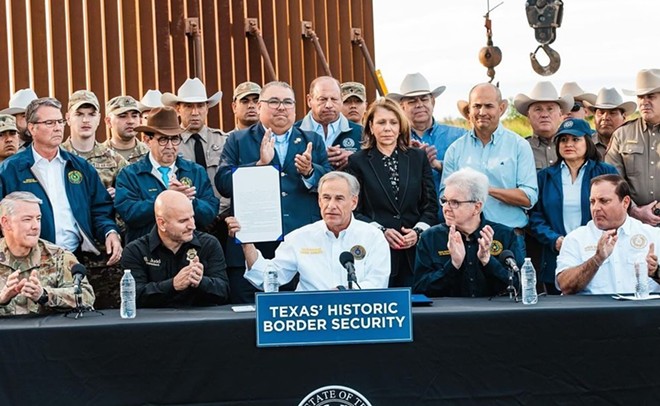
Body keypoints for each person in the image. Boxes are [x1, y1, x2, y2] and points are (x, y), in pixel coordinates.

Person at [216, 81, 332, 303]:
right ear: (260, 107)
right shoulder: (238, 140)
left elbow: (329, 183)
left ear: (296, 109)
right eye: (274, 102)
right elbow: (222, 183)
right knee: (247, 322)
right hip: (252, 245)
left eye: (287, 102)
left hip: (300, 247)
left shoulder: (312, 140)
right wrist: (259, 166)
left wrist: (309, 172)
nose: (281, 107)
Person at [0, 97, 122, 265]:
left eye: (59, 121)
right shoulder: (11, 170)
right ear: (32, 128)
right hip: (26, 262)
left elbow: (100, 209)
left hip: (74, 259)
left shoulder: (79, 167)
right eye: (49, 123)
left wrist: (110, 232)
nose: (57, 128)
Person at [228, 172, 390, 291]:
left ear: (354, 202)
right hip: (311, 319)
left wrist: (342, 295)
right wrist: (247, 243)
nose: (331, 205)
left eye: (339, 198)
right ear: (319, 200)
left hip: (358, 318)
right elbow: (268, 278)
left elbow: (378, 283)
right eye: (326, 198)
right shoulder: (300, 237)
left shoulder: (372, 237)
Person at [347, 97, 438, 287]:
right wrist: (381, 232)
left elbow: (430, 205)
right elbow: (355, 210)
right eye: (381, 122)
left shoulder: (418, 158)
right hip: (375, 253)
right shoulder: (358, 162)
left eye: (393, 122)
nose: (387, 128)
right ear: (371, 127)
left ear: (401, 127)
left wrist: (417, 232)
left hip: (415, 255)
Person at [442, 83, 538, 250]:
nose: (482, 112)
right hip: (465, 240)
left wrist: (484, 189)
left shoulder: (519, 146)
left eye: (489, 106)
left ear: (501, 109)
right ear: (469, 111)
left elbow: (529, 197)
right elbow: (444, 197)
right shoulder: (455, 150)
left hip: (509, 237)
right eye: (477, 106)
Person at [529, 118, 618, 294]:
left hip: (596, 250)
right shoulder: (545, 177)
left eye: (575, 139)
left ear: (588, 141)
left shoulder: (606, 172)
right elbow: (535, 216)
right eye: (563, 139)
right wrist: (554, 240)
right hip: (557, 252)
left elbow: (617, 211)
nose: (569, 144)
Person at [115, 106, 219, 243]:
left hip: (189, 251)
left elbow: (210, 214)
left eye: (175, 139)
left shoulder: (195, 171)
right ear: (147, 140)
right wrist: (166, 197)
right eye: (163, 139)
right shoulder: (130, 174)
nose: (170, 146)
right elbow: (129, 214)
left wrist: (190, 201)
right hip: (146, 253)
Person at [414, 168, 523, 297]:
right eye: (444, 201)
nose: (446, 208)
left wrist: (487, 261)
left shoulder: (505, 235)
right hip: (447, 315)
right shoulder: (430, 238)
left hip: (495, 315)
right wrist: (453, 265)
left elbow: (520, 287)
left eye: (454, 203)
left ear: (476, 207)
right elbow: (419, 289)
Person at [121, 190, 229, 307]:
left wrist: (201, 281)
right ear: (162, 223)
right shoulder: (136, 251)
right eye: (183, 221)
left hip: (200, 321)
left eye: (192, 217)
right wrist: (173, 285)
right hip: (154, 322)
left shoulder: (209, 244)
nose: (192, 226)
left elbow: (224, 292)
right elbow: (133, 297)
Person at [556, 174, 660, 295]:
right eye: (592, 201)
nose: (596, 208)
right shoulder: (576, 239)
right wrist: (596, 260)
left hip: (641, 312)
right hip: (594, 312)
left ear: (625, 202)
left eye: (604, 201)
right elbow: (565, 286)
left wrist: (656, 272)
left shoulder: (653, 235)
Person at [0, 192, 95, 316]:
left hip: (47, 334)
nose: (36, 226)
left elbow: (87, 297)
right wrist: (2, 299)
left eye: (38, 219)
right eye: (27, 219)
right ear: (6, 222)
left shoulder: (59, 256)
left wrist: (44, 295)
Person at [388, 73, 465, 196]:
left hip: (450, 212)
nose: (419, 105)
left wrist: (437, 165)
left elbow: (469, 171)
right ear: (402, 107)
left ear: (432, 102)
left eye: (424, 99)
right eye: (412, 101)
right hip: (409, 213)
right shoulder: (392, 140)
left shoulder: (459, 136)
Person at [162, 77, 228, 208]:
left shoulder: (223, 140)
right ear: (178, 109)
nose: (195, 112)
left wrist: (222, 212)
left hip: (223, 215)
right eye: (188, 106)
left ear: (207, 108)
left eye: (200, 106)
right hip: (183, 214)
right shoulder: (169, 144)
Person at [605, 69, 660, 225]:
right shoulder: (622, 135)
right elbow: (612, 180)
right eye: (640, 97)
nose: (644, 102)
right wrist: (635, 210)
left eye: (651, 96)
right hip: (632, 224)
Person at [61, 90, 128, 199]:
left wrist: (119, 195)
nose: (86, 120)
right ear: (68, 118)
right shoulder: (57, 155)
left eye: (92, 114)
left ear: (99, 118)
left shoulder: (114, 160)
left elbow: (131, 194)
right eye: (79, 114)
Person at [295, 76, 362, 170]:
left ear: (341, 100)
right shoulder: (294, 132)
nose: (329, 105)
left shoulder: (362, 133)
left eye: (334, 99)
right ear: (309, 101)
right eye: (322, 99)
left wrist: (355, 159)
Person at [514, 81, 573, 171]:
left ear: (560, 114)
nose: (544, 115)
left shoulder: (574, 147)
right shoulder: (518, 149)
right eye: (538, 109)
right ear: (528, 115)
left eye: (550, 109)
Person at [586, 87, 635, 157]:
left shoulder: (634, 144)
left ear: (624, 118)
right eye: (601, 113)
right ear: (594, 118)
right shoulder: (585, 145)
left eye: (612, 113)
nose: (605, 118)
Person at [102, 95, 150, 163]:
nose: (130, 121)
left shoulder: (151, 155)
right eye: (123, 116)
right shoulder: (97, 155)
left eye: (134, 116)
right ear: (108, 121)